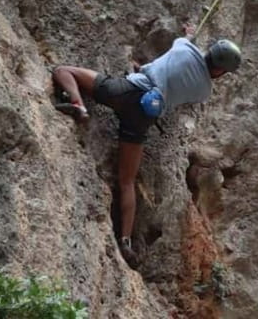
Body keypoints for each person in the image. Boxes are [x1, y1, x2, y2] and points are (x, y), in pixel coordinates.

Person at [51, 24, 241, 267]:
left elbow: (184, 41)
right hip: (144, 114)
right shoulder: (204, 91)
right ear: (220, 71)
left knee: (63, 70)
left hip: (130, 89)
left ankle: (78, 104)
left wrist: (190, 33)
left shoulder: (183, 47)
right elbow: (179, 84)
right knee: (127, 181)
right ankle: (125, 240)